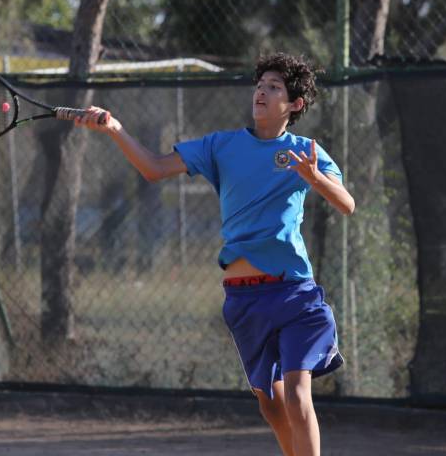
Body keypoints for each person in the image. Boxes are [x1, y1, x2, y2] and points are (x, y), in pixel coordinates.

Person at [68, 52, 355, 456]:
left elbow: (346, 204)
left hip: (294, 294)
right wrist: (115, 128)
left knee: (295, 395)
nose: (262, 91)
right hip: (243, 299)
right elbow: (153, 167)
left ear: (294, 104)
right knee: (270, 404)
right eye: (260, 85)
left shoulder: (305, 150)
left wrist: (315, 178)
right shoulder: (221, 146)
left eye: (274, 87)